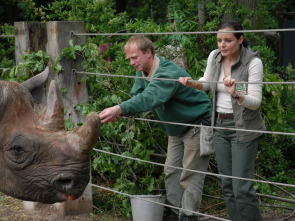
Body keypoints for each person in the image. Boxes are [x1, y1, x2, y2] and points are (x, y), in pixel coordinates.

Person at [99, 35, 212, 221]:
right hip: (175, 127)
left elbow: (149, 98)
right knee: (171, 171)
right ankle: (176, 212)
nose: (131, 62)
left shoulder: (167, 72)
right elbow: (137, 94)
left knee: (191, 175)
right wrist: (121, 112)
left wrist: (120, 108)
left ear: (148, 53)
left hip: (196, 122)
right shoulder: (142, 69)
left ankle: (189, 216)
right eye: (128, 59)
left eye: (134, 57)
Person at [179, 20, 265, 221]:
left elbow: (255, 101)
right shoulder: (215, 57)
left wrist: (236, 94)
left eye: (227, 40)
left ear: (240, 39)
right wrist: (192, 83)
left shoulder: (253, 62)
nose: (222, 45)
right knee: (227, 185)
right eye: (219, 40)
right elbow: (207, 83)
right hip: (219, 125)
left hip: (243, 127)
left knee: (242, 187)